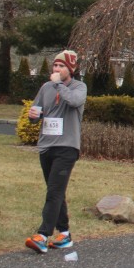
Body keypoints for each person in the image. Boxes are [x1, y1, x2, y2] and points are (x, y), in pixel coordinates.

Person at [25, 50, 87, 254]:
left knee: (54, 191)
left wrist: (59, 84)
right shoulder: (46, 87)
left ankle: (43, 235)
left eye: (62, 66)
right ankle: (64, 235)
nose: (57, 69)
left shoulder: (79, 87)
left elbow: (74, 101)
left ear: (71, 69)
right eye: (55, 65)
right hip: (46, 146)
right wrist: (33, 115)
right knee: (56, 191)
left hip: (67, 147)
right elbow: (36, 112)